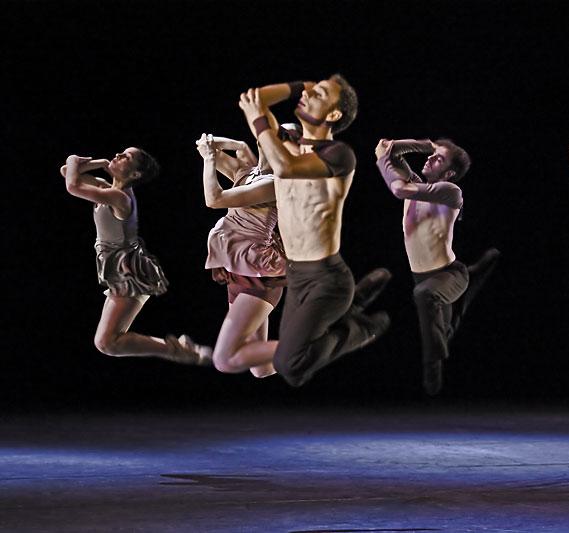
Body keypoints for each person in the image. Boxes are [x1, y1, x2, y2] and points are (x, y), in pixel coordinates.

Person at [236, 76, 391, 387]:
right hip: (296, 274)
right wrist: (302, 86)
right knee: (293, 368)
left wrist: (259, 121)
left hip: (326, 278)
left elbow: (286, 168)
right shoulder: (287, 144)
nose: (308, 95)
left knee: (289, 365)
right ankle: (354, 305)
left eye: (319, 95)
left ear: (333, 114)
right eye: (311, 92)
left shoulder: (339, 154)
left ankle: (361, 328)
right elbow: (254, 99)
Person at [60, 149, 210, 365]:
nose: (118, 154)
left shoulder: (120, 197)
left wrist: (74, 158)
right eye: (121, 153)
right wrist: (99, 162)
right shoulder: (105, 187)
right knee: (106, 342)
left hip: (129, 271)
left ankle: (178, 351)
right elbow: (67, 171)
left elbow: (72, 185)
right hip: (118, 268)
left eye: (126, 157)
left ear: (135, 174)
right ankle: (179, 350)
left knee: (107, 343)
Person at [374, 137, 500, 395]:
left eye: (438, 159)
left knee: (425, 295)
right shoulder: (415, 183)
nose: (430, 160)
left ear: (449, 173)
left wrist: (383, 160)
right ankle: (477, 275)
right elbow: (390, 153)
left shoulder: (450, 191)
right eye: (431, 156)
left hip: (449, 275)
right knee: (445, 329)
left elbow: (398, 188)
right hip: (422, 278)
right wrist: (425, 145)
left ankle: (432, 368)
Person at [196, 133, 287, 378]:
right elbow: (204, 146)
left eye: (289, 138)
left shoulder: (275, 183)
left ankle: (316, 342)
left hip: (259, 273)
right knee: (261, 369)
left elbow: (214, 199)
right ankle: (308, 353)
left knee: (225, 359)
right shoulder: (247, 172)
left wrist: (209, 159)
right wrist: (238, 144)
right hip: (237, 268)